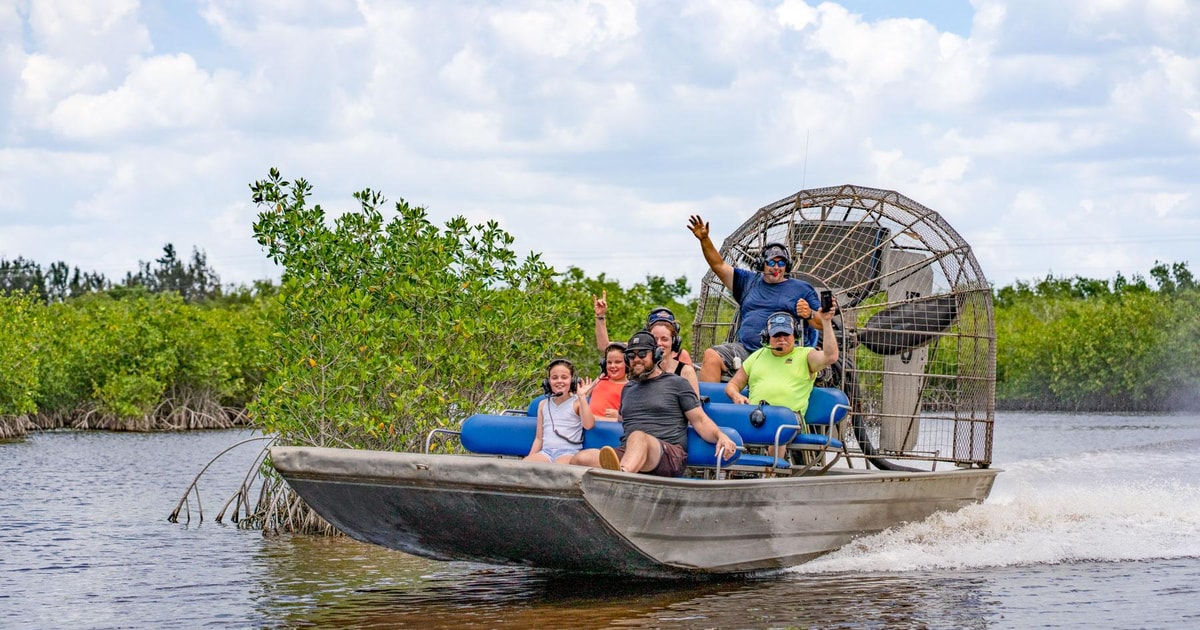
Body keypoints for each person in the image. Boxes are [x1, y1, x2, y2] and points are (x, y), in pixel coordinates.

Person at [571, 330, 737, 476]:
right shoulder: (628, 389)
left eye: (642, 354)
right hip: (631, 453)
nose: (636, 359)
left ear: (655, 355)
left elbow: (700, 420)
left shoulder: (677, 384)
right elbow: (621, 419)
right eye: (631, 356)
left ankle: (621, 478)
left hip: (668, 455)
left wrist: (720, 436)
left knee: (638, 436)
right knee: (581, 458)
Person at [687, 215, 821, 383]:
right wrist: (704, 239)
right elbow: (718, 265)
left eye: (781, 263)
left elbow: (822, 322)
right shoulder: (748, 281)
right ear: (761, 264)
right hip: (747, 351)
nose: (777, 268)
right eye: (772, 263)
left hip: (782, 354)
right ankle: (710, 407)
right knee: (712, 355)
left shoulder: (801, 288)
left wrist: (809, 314)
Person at [593, 292, 699, 394]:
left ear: (674, 341)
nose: (659, 343)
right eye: (655, 338)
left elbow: (694, 405)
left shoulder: (685, 370)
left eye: (664, 339)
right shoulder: (639, 359)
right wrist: (600, 316)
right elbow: (604, 346)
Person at [525, 359, 596, 464]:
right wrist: (526, 462)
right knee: (524, 468)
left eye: (564, 377)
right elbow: (539, 438)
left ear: (572, 381)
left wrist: (582, 397)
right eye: (554, 378)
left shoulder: (577, 403)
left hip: (569, 453)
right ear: (548, 382)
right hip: (546, 452)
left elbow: (589, 425)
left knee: (558, 470)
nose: (559, 381)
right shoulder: (543, 405)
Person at [585, 342, 628, 419]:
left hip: (610, 427)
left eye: (618, 362)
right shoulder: (601, 378)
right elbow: (585, 396)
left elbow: (635, 415)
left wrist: (619, 416)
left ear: (627, 364)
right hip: (590, 428)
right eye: (609, 362)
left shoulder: (629, 386)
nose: (612, 366)